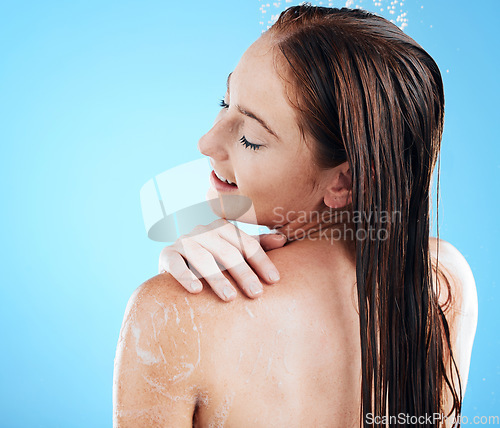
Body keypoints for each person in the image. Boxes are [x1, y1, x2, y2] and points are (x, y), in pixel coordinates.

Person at [113, 5, 478, 427]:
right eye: (224, 102)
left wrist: (175, 294)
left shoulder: (171, 315)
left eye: (250, 137)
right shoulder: (440, 281)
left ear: (342, 182)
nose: (206, 141)